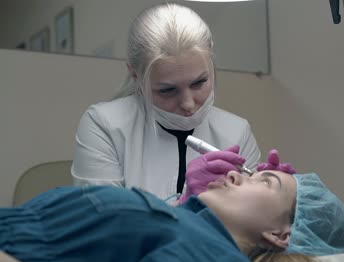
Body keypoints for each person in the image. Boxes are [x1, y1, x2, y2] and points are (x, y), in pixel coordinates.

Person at [1, 151, 344, 262]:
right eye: (252, 172)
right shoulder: (187, 229)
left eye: (265, 182)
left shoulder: (210, 256)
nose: (235, 174)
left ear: (280, 233)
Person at [71, 3, 261, 202]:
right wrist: (187, 204)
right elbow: (106, 224)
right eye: (167, 90)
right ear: (135, 75)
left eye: (199, 82)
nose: (188, 104)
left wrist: (285, 197)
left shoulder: (236, 132)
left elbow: (254, 227)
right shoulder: (105, 125)